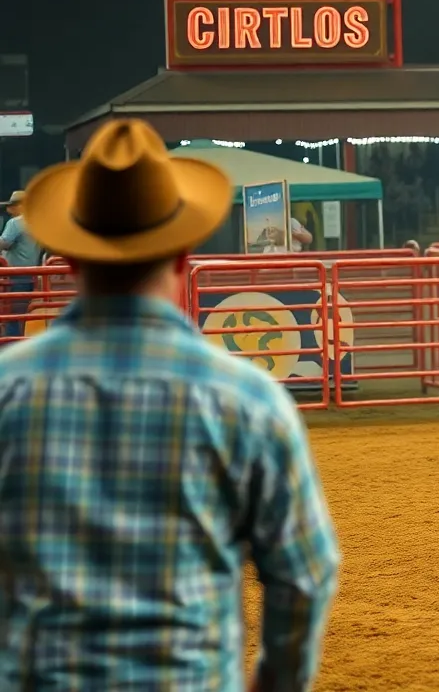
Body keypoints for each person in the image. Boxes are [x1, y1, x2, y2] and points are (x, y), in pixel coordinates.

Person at [0, 119, 339, 688]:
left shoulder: (10, 391)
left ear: (72, 260)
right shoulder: (249, 402)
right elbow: (303, 576)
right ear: (183, 255)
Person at [0, 190, 41, 338]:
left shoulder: (15, 223)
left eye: (13, 205)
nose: (9, 209)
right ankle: (18, 339)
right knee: (21, 311)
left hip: (14, 273)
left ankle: (12, 342)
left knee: (11, 313)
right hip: (31, 273)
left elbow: (3, 243)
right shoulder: (37, 222)